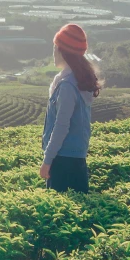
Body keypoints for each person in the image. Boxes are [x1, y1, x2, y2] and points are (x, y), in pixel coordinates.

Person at [39, 23, 101, 193]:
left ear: (62, 51)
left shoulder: (66, 86)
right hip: (76, 157)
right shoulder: (78, 80)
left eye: (55, 48)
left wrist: (47, 160)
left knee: (59, 213)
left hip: (62, 159)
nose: (53, 52)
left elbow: (61, 126)